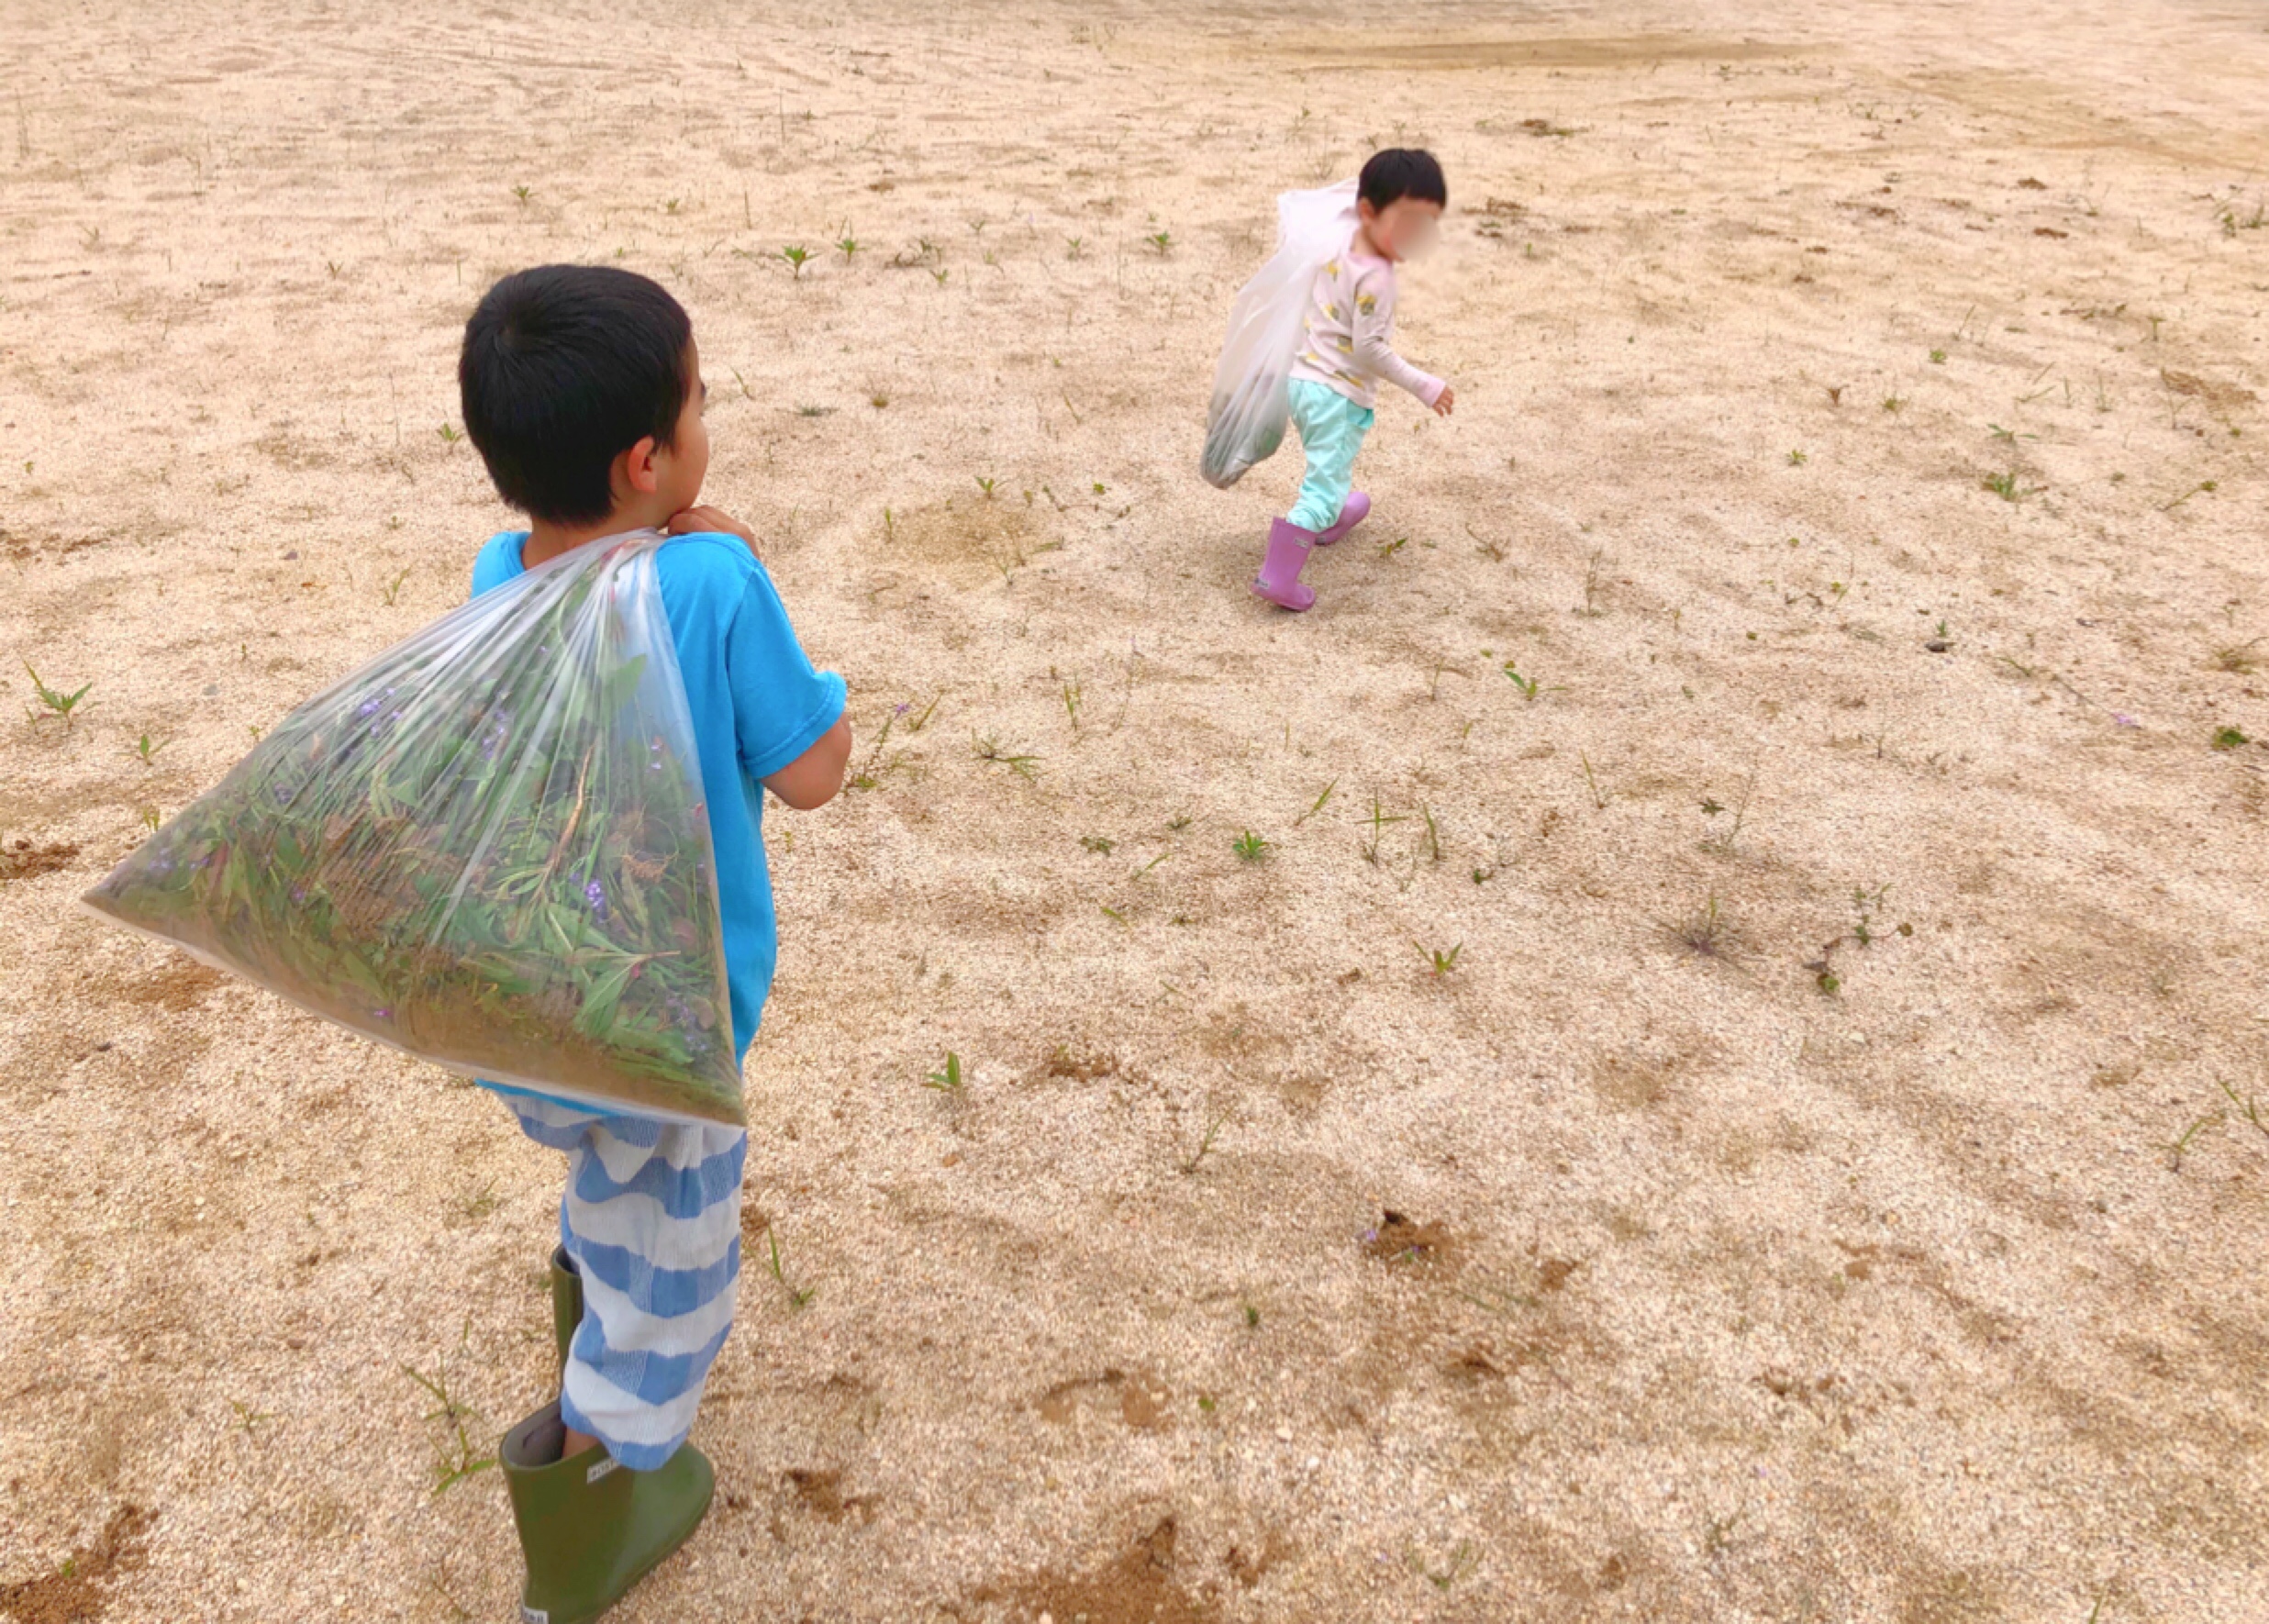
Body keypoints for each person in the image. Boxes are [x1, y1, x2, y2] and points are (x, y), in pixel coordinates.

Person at [457, 263, 851, 1623]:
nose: (708, 417)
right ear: (648, 459)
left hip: (530, 998)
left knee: (614, 1194)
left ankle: (589, 1298)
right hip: (659, 1020)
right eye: (698, 402)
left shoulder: (495, 571)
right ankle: (588, 1511)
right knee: (672, 1277)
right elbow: (811, 772)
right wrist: (742, 566)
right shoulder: (710, 584)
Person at [1251, 148, 1457, 612]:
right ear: (1369, 211)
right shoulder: (1377, 280)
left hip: (1301, 381)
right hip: (1335, 396)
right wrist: (1425, 385)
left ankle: (1334, 510)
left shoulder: (1337, 235)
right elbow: (1370, 349)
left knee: (1330, 466)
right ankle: (1278, 575)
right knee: (1320, 490)